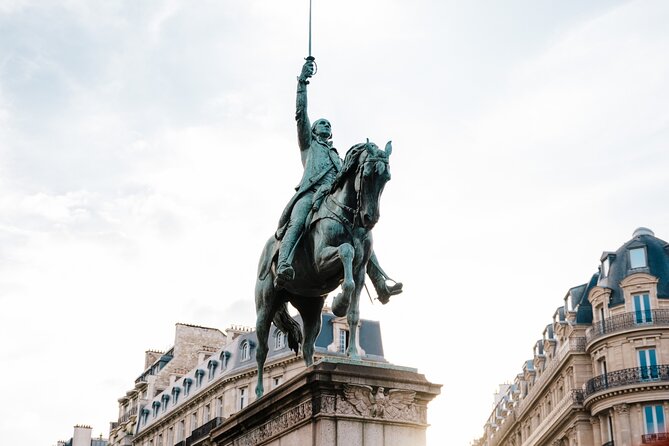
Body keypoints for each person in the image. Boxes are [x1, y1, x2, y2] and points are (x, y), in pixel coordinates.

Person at [274, 59, 402, 303]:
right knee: (298, 220)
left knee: (361, 232)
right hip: (311, 194)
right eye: (321, 122)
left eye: (328, 124)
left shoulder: (337, 156)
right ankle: (284, 264)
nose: (326, 125)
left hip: (334, 197)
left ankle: (379, 283)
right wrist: (302, 82)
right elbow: (301, 114)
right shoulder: (309, 145)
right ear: (313, 130)